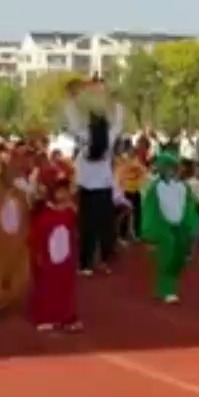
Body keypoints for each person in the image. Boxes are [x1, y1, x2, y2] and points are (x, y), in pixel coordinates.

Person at [63, 82, 125, 276]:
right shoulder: (109, 137)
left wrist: (71, 99)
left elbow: (72, 121)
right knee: (105, 226)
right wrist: (114, 101)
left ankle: (85, 264)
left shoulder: (83, 136)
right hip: (104, 188)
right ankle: (105, 260)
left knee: (86, 227)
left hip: (86, 188)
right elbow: (119, 122)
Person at [28, 160, 82, 332]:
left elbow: (74, 234)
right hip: (48, 258)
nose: (65, 194)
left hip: (65, 259)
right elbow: (36, 238)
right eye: (60, 191)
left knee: (65, 286)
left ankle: (65, 315)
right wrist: (38, 255)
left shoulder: (68, 213)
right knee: (46, 287)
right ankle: (45, 316)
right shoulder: (44, 216)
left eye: (66, 190)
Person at [139, 149, 199, 304]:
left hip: (179, 228)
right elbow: (150, 210)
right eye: (166, 167)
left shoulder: (183, 187)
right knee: (166, 258)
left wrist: (191, 226)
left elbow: (189, 207)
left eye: (172, 167)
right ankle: (167, 291)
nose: (169, 170)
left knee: (178, 260)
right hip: (163, 228)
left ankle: (164, 289)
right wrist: (149, 234)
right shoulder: (155, 188)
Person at [0, 151, 34, 317]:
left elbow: (28, 214)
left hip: (18, 241)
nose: (14, 177)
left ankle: (6, 299)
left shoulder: (22, 195)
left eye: (15, 174)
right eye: (10, 174)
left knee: (21, 277)